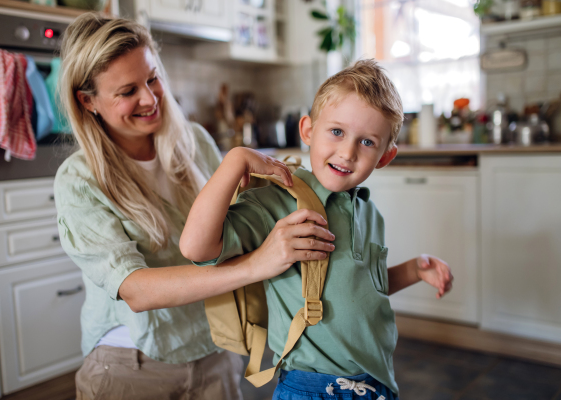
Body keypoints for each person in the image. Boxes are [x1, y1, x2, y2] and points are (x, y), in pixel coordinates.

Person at [54, 13, 336, 400]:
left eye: (153, 78)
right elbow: (135, 290)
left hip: (213, 351)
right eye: (127, 91)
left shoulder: (197, 142)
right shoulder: (79, 180)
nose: (150, 99)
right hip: (130, 364)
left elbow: (230, 233)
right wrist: (256, 264)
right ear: (88, 101)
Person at [180, 59, 454, 399]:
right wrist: (235, 160)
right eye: (336, 132)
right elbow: (195, 247)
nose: (348, 152)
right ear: (307, 130)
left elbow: (365, 291)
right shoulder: (278, 203)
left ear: (385, 156)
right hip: (311, 387)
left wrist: (414, 269)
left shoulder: (369, 213)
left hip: (375, 383)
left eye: (367, 142)